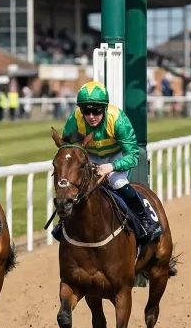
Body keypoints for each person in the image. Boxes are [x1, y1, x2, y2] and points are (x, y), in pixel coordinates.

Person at [57, 81, 163, 243]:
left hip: (116, 155)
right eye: (86, 111)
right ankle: (63, 222)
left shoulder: (118, 119)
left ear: (105, 108)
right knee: (76, 185)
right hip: (90, 155)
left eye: (96, 111)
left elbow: (133, 155)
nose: (91, 116)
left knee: (117, 181)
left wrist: (111, 166)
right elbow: (68, 150)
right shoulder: (75, 120)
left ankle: (144, 220)